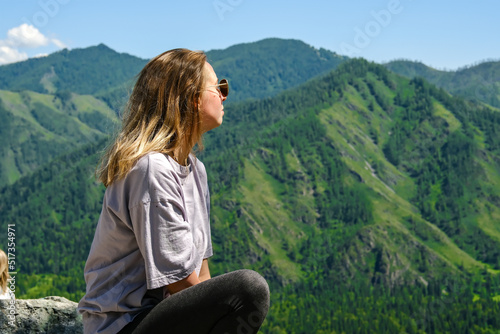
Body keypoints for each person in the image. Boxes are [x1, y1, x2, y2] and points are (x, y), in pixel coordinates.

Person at [78, 49, 270, 334]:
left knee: (241, 293)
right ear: (192, 98)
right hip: (124, 326)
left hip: (157, 317)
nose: (224, 95)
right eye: (218, 87)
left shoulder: (195, 170)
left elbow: (200, 275)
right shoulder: (152, 169)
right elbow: (180, 284)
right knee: (247, 289)